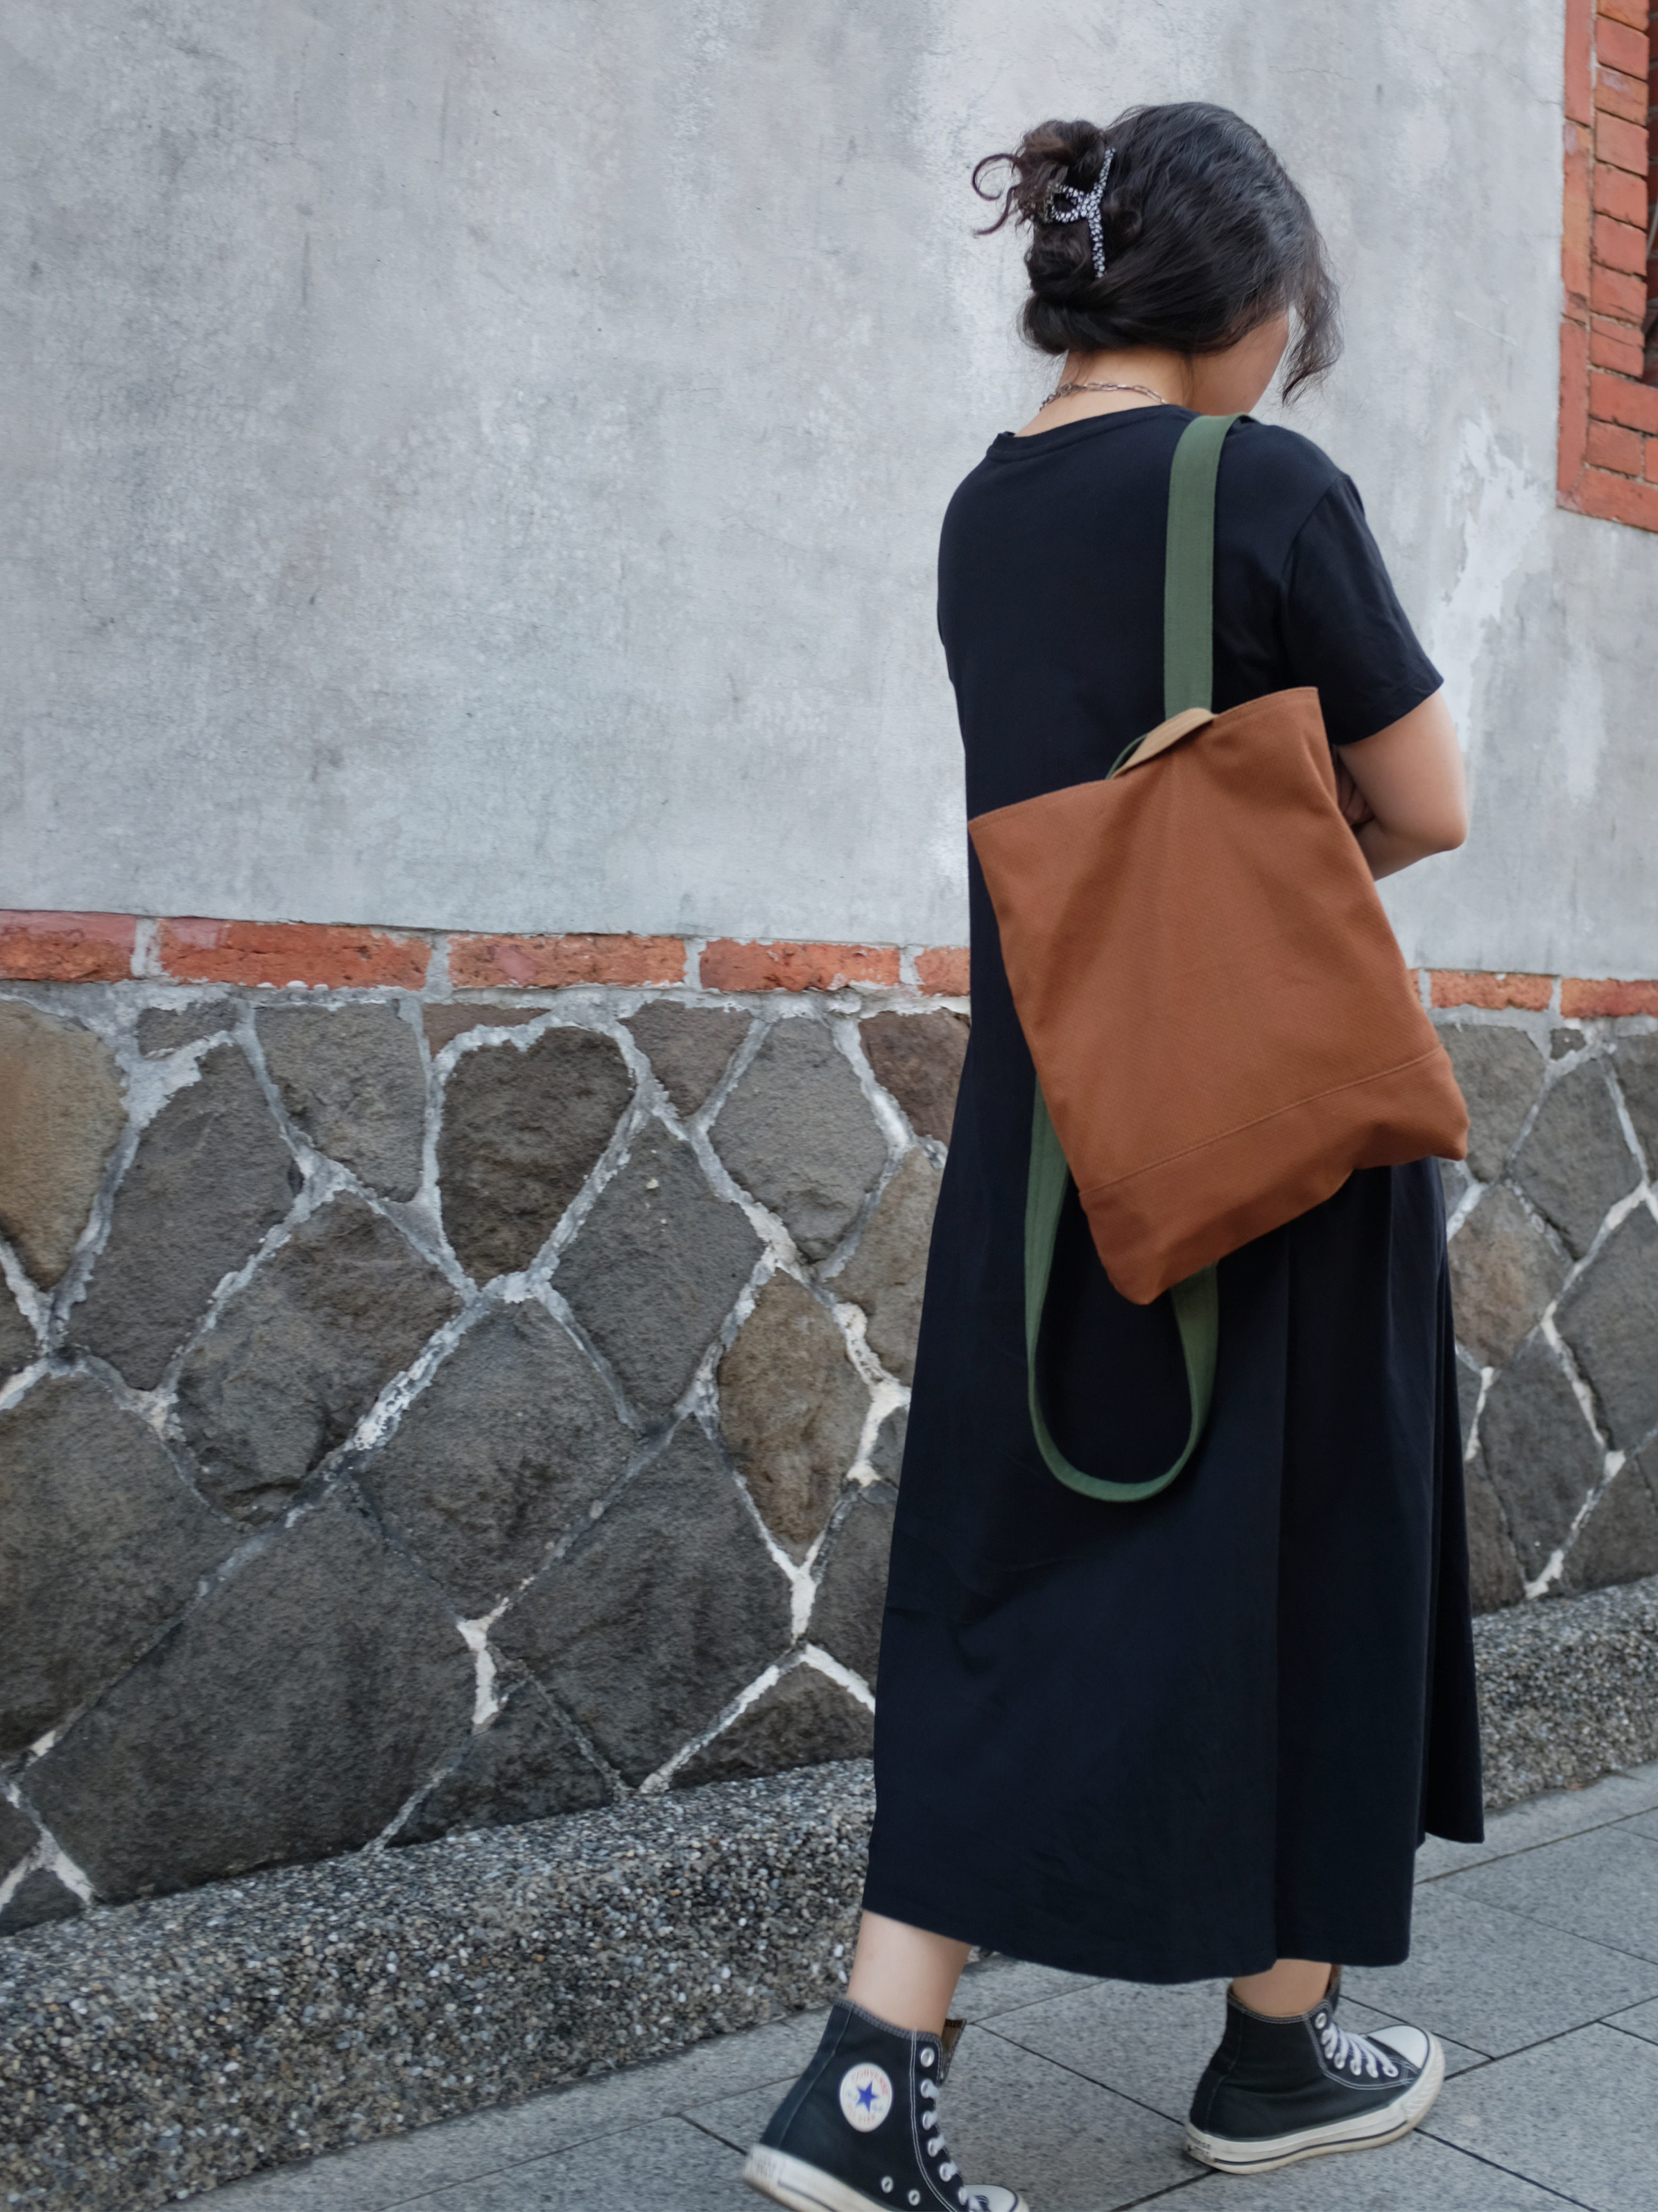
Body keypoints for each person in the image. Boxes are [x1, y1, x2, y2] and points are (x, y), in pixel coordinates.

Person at [744, 103, 1480, 2212]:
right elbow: (1427, 800)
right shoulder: (1268, 487)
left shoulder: (984, 511)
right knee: (1314, 1565)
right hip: (1274, 1149)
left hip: (1058, 1150)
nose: (1289, 356)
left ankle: (870, 2076)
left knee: (1019, 1577)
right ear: (1243, 295)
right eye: (1293, 318)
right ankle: (1276, 2053)